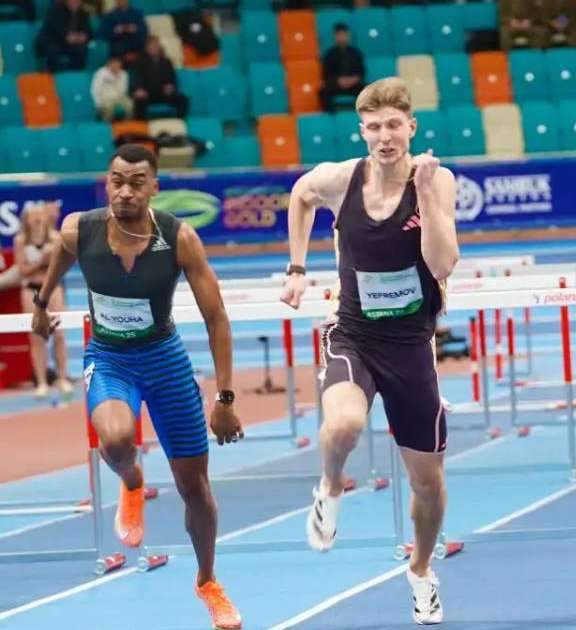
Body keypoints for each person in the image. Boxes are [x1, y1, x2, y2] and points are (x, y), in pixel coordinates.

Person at [29, 144, 245, 629]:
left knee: (196, 491)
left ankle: (208, 581)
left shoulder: (179, 238)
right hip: (109, 358)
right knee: (116, 437)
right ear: (107, 183)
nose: (124, 191)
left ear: (154, 188)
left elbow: (217, 318)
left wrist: (226, 398)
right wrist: (42, 303)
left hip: (165, 360)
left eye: (136, 182)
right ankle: (132, 482)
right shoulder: (78, 229)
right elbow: (61, 258)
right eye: (116, 180)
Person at [280, 77, 459, 625]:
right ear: (363, 130)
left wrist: (426, 195)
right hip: (353, 332)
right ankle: (330, 487)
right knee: (342, 427)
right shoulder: (340, 179)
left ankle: (421, 570)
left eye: (394, 126)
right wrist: (297, 268)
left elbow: (443, 263)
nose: (385, 137)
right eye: (374, 127)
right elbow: (300, 195)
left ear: (412, 127)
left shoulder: (437, 180)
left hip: (410, 344)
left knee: (427, 485)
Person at [14, 203, 72, 398]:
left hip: (52, 289)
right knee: (36, 337)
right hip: (30, 289)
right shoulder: (21, 240)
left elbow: (61, 266)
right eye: (33, 216)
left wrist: (48, 262)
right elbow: (22, 270)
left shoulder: (55, 237)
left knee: (60, 334)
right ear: (27, 219)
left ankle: (63, 378)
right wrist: (41, 260)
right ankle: (41, 381)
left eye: (41, 215)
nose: (38, 219)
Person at [129, 36, 189, 120]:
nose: (154, 48)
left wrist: (170, 86)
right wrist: (138, 89)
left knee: (183, 99)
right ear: (146, 48)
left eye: (156, 45)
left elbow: (172, 78)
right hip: (147, 94)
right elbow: (135, 78)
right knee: (139, 101)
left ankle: (179, 122)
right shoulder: (139, 62)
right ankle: (142, 127)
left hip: (163, 93)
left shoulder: (167, 62)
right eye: (151, 46)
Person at [319, 23, 365, 113]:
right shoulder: (329, 54)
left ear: (348, 35)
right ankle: (331, 115)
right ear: (335, 36)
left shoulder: (356, 52)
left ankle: (364, 114)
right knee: (322, 92)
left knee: (367, 90)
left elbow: (361, 72)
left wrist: (353, 79)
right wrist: (338, 80)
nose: (342, 37)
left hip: (353, 84)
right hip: (336, 84)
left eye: (344, 34)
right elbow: (326, 75)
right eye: (339, 34)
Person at [37, 0, 92, 72]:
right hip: (53, 41)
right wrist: (69, 37)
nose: (75, 2)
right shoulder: (56, 10)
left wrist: (84, 37)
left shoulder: (83, 13)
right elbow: (56, 31)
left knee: (82, 50)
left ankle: (74, 75)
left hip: (71, 44)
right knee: (53, 51)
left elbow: (89, 32)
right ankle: (53, 74)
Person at [91, 55, 134, 122]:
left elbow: (124, 90)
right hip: (105, 97)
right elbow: (95, 89)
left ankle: (126, 125)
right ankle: (106, 126)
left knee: (131, 105)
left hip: (120, 97)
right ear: (109, 64)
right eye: (113, 64)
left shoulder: (124, 74)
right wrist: (98, 103)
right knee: (108, 107)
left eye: (118, 64)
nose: (116, 66)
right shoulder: (101, 73)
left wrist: (117, 78)